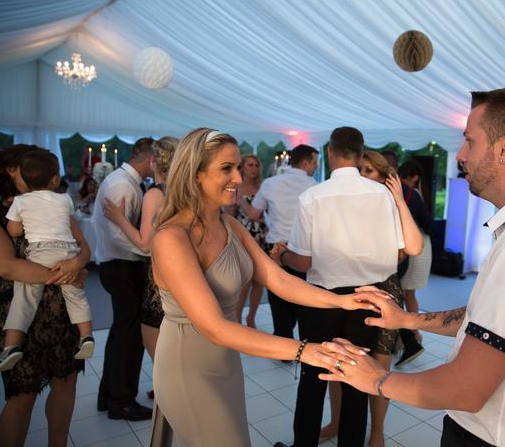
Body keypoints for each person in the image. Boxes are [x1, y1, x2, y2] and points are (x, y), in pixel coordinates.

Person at [317, 88, 505, 446]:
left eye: (469, 141)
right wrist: (407, 320)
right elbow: (483, 318)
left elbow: (466, 388)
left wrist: (376, 380)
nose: (461, 155)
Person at [148, 127, 386, 446]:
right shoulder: (171, 238)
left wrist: (341, 301)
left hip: (225, 360)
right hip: (189, 365)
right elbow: (215, 327)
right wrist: (305, 350)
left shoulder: (230, 225)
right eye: (226, 168)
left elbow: (278, 279)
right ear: (195, 174)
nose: (237, 178)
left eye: (238, 167)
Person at [272, 127, 420, 447]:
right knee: (356, 379)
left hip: (322, 301)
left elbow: (302, 262)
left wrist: (281, 255)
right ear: (360, 153)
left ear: (329, 153)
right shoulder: (382, 195)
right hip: (368, 297)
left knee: (313, 377)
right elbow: (401, 250)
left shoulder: (313, 197)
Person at [318, 149, 422, 447]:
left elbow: (412, 248)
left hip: (384, 292)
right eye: (359, 169)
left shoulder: (389, 204)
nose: (361, 176)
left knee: (379, 366)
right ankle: (336, 422)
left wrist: (399, 199)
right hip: (348, 291)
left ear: (383, 176)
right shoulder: (342, 203)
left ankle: (377, 431)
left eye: (368, 171)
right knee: (340, 361)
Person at [0, 144, 88, 447]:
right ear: (11, 171)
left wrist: (78, 263)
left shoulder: (54, 204)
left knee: (66, 383)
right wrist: (67, 274)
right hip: (21, 314)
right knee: (22, 398)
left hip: (62, 313)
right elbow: (6, 266)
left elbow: (83, 246)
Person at [0, 150, 93, 373]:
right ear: (55, 179)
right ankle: (86, 336)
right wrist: (74, 269)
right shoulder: (65, 199)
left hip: (41, 253)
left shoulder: (20, 202)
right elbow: (70, 227)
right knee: (76, 297)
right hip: (67, 252)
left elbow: (15, 231)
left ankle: (11, 346)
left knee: (24, 298)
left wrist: (19, 223)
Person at [93, 137, 155, 421]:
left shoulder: (127, 182)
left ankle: (109, 395)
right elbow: (117, 235)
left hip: (121, 265)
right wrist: (148, 249)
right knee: (130, 336)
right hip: (122, 265)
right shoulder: (122, 185)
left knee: (122, 332)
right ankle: (122, 401)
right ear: (151, 159)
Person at [102, 136, 179, 366]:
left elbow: (145, 244)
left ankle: (167, 386)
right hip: (180, 270)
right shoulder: (183, 192)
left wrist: (119, 218)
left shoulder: (155, 194)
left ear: (153, 160)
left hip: (160, 276)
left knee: (156, 346)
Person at [236, 144, 319, 340]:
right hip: (303, 248)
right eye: (314, 162)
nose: (316, 166)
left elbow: (254, 214)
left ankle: (283, 337)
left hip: (274, 247)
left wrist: (240, 201)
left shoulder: (270, 183)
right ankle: (302, 341)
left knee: (277, 296)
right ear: (305, 163)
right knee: (303, 295)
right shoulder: (315, 187)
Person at [396, 160, 435, 367]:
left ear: (414, 178)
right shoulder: (414, 194)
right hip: (414, 246)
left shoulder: (413, 195)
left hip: (416, 249)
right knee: (405, 293)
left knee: (408, 293)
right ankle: (408, 336)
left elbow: (428, 226)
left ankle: (414, 335)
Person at [224, 154, 268, 328]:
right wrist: (233, 205)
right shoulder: (235, 187)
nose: (254, 168)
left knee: (259, 281)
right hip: (243, 235)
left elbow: (266, 213)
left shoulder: (262, 187)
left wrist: (244, 204)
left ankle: (251, 318)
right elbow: (228, 214)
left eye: (256, 165)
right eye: (250, 165)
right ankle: (237, 318)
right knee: (244, 281)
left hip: (261, 235)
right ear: (242, 167)